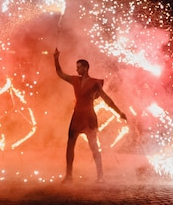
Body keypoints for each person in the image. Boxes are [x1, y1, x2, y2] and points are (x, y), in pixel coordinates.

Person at [53, 47, 127, 183]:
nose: (76, 70)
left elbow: (106, 98)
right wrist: (56, 58)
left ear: (85, 68)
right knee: (70, 145)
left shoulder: (94, 83)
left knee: (94, 147)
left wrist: (119, 112)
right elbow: (59, 73)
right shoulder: (74, 80)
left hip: (89, 117)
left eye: (79, 67)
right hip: (77, 115)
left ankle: (100, 176)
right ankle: (68, 176)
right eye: (76, 68)